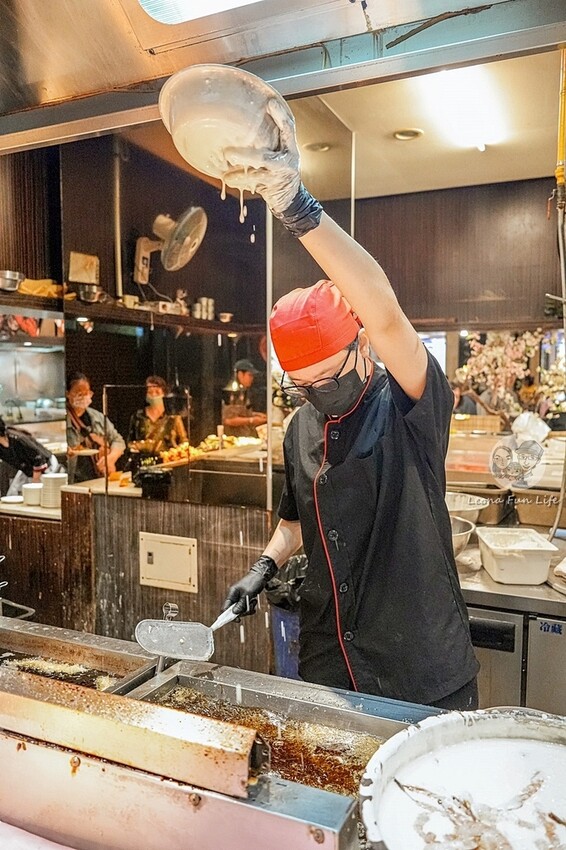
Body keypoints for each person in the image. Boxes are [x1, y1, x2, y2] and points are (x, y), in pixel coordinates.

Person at [220, 98, 479, 710]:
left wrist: (293, 205)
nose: (316, 394)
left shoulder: (410, 404)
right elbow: (295, 519)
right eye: (302, 385)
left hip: (420, 672)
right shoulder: (299, 429)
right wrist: (265, 563)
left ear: (361, 346)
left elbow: (385, 309)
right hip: (331, 668)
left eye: (327, 378)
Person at [66, 372, 125, 483]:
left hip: (99, 477)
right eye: (79, 394)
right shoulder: (63, 420)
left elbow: (118, 441)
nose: (84, 397)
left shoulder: (97, 417)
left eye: (87, 393)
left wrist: (111, 458)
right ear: (68, 394)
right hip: (74, 479)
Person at [127, 376, 187, 454]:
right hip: (144, 462)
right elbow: (130, 442)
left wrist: (177, 452)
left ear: (164, 394)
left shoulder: (173, 416)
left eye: (157, 392)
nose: (153, 395)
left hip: (167, 461)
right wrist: (139, 446)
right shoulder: (138, 416)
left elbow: (183, 441)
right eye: (150, 392)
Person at [0, 416, 58, 495]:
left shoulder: (18, 439)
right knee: (12, 494)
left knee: (38, 495)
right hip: (27, 468)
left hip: (46, 465)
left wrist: (35, 484)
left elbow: (39, 459)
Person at [222, 358, 267, 437]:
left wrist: (256, 414)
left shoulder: (244, 391)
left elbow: (240, 412)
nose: (252, 379)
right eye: (249, 375)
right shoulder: (232, 392)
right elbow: (228, 420)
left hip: (246, 436)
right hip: (234, 438)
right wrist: (252, 420)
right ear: (240, 374)